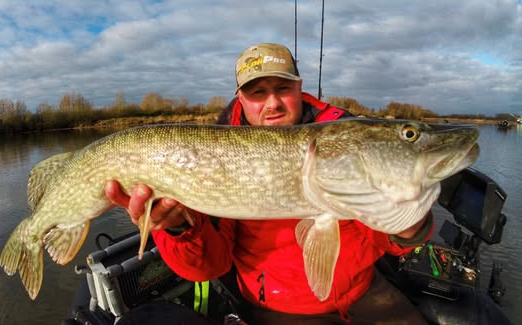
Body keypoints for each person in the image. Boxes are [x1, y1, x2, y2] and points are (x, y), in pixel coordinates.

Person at [105, 43, 432, 324]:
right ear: (241, 99)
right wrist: (177, 229)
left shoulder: (344, 139)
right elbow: (210, 265)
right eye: (258, 92)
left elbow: (386, 237)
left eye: (282, 88)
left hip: (364, 292)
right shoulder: (214, 156)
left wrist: (406, 227)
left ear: (299, 88)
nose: (272, 103)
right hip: (277, 306)